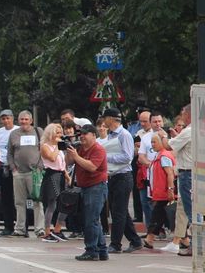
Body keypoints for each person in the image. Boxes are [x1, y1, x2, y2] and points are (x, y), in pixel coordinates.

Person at [100, 108, 144, 254]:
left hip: (123, 177)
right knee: (120, 211)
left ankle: (115, 244)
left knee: (118, 212)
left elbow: (127, 157)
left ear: (111, 119)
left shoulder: (124, 135)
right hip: (113, 176)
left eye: (105, 118)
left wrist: (106, 157)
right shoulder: (111, 135)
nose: (103, 121)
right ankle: (135, 240)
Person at [66, 124, 109, 261]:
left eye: (85, 134)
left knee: (91, 220)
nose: (82, 136)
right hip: (85, 187)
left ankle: (91, 250)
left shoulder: (98, 149)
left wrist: (76, 157)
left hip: (96, 187)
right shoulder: (79, 148)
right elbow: (68, 162)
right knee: (94, 220)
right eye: (81, 134)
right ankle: (102, 250)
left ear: (94, 135)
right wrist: (70, 151)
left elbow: (92, 167)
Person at [7, 110, 45, 238]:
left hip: (34, 173)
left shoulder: (38, 132)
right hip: (19, 173)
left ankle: (39, 229)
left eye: (26, 119)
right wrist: (13, 168)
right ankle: (20, 229)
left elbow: (44, 149)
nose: (23, 121)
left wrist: (40, 166)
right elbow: (10, 153)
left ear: (31, 120)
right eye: (21, 119)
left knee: (37, 201)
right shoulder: (13, 134)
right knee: (19, 202)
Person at [167, 104, 193, 255]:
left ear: (188, 115)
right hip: (192, 173)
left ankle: (194, 244)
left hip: (187, 174)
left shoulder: (189, 131)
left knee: (191, 212)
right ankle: (184, 240)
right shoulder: (195, 131)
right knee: (189, 210)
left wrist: (163, 139)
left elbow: (169, 146)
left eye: (183, 113)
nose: (181, 116)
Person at [143, 134, 176, 249]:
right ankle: (184, 239)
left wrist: (170, 189)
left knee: (157, 215)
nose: (152, 144)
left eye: (155, 142)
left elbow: (170, 173)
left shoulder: (163, 156)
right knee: (163, 216)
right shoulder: (159, 156)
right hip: (160, 193)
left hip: (164, 193)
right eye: (151, 142)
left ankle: (150, 238)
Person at [39, 123, 70, 242]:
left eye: (60, 132)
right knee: (52, 204)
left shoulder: (60, 148)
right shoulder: (45, 146)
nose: (59, 135)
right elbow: (51, 158)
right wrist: (58, 145)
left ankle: (58, 229)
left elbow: (62, 164)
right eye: (57, 132)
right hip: (51, 174)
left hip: (61, 174)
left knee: (66, 203)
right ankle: (47, 232)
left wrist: (67, 177)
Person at [0, 109, 18, 236]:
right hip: (4, 168)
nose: (6, 121)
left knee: (19, 199)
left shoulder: (18, 131)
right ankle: (8, 227)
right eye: (3, 118)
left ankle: (21, 227)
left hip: (18, 168)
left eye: (8, 118)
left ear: (12, 118)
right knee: (6, 199)